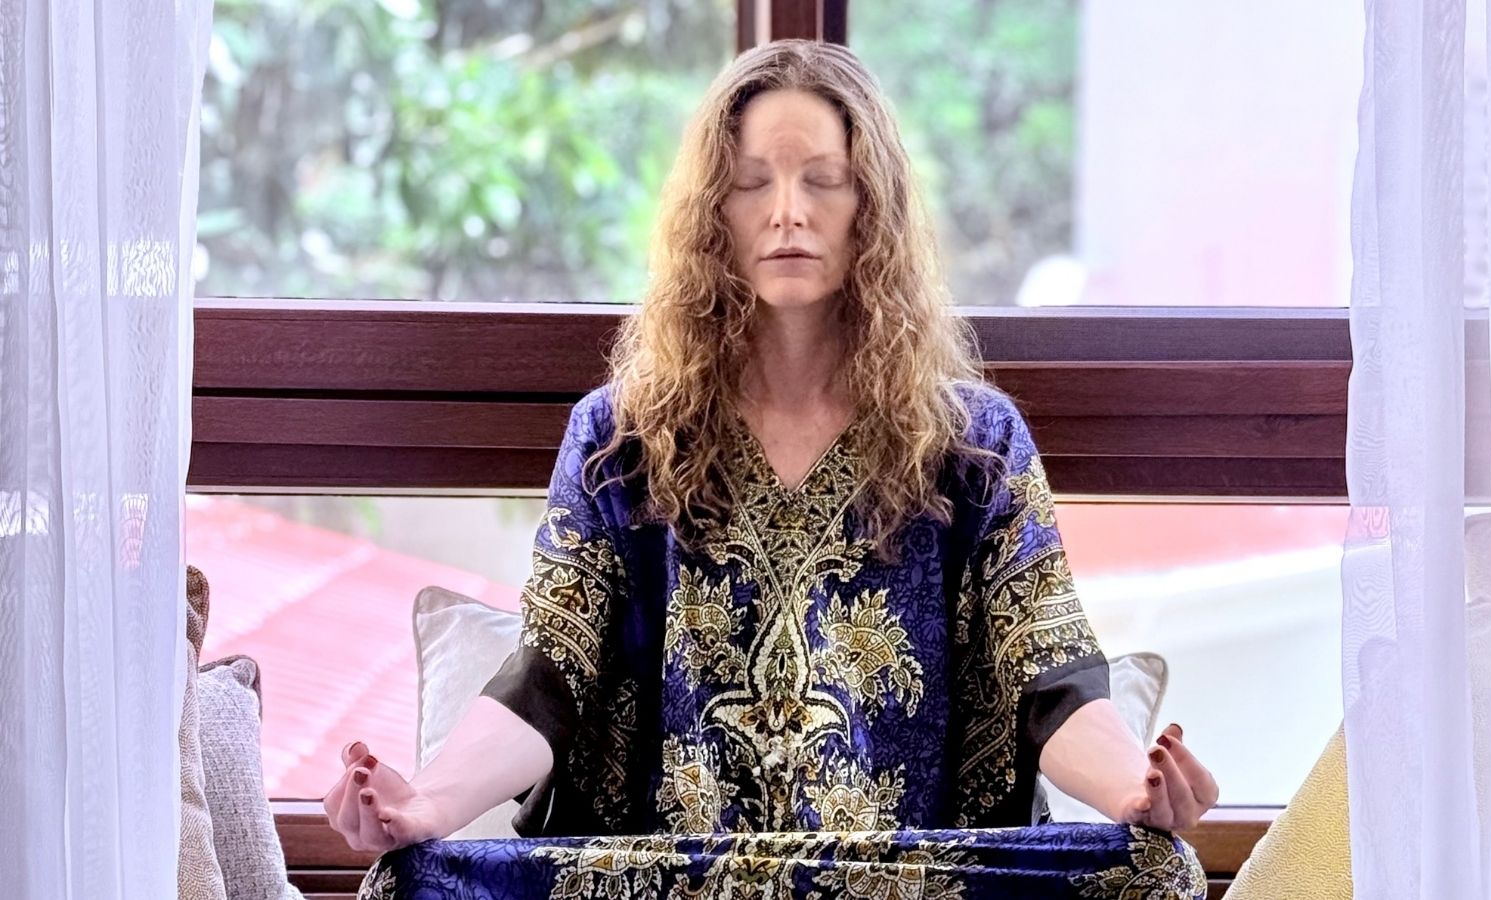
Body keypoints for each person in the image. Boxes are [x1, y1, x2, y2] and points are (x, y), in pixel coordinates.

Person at [328, 38, 1217, 895]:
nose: (787, 210)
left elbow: (1049, 677)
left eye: (821, 180)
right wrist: (429, 803)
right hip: (670, 882)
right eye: (752, 183)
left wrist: (1136, 792)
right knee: (411, 880)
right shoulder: (619, 438)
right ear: (713, 211)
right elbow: (548, 676)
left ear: (872, 204)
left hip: (900, 885)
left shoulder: (973, 445)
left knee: (1156, 874)